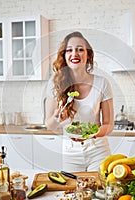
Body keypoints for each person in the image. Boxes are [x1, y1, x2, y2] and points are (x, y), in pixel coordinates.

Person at [45, 31, 114, 171]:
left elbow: (109, 124)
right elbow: (49, 125)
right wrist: (57, 118)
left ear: (88, 55)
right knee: (73, 192)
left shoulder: (102, 83)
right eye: (69, 50)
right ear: (64, 56)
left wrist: (91, 134)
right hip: (71, 153)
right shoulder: (55, 84)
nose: (74, 54)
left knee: (101, 191)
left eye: (80, 49)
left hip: (98, 150)